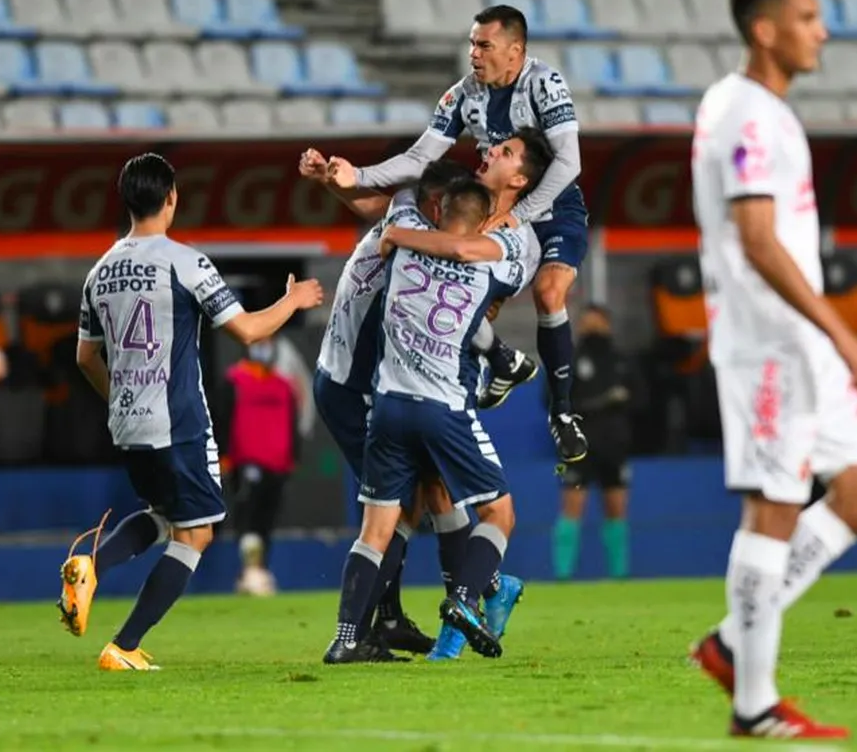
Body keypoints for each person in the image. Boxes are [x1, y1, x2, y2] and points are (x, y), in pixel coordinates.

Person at [686, 0, 857, 740]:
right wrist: (842, 331)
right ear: (766, 29)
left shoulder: (761, 110)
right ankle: (756, 704)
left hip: (803, 343)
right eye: (808, 17)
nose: (823, 31)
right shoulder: (746, 114)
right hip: (768, 342)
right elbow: (758, 239)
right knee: (773, 503)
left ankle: (733, 641)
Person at [57, 153, 323, 671]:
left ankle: (93, 563)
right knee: (196, 533)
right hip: (177, 420)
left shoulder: (100, 271)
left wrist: (118, 398)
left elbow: (85, 356)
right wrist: (293, 300)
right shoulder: (185, 261)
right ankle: (124, 646)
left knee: (163, 516)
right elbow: (247, 330)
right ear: (172, 198)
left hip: (128, 420)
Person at [305, 129, 552, 660]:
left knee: (399, 511)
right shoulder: (501, 253)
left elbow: (396, 210)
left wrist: (372, 207)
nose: (490, 153)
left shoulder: (413, 229)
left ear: (522, 178)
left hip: (388, 394)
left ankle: (359, 632)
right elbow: (464, 254)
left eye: (505, 152)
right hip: (409, 392)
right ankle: (470, 594)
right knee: (479, 508)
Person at [325, 4, 590, 464]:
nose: (473, 53)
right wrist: (359, 176)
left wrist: (522, 214)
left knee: (550, 292)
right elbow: (419, 157)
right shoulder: (464, 94)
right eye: (471, 43)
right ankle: (500, 360)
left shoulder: (544, 83)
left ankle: (563, 412)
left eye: (484, 45)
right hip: (499, 203)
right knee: (465, 294)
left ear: (515, 51)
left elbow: (570, 162)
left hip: (551, 203)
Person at [551, 304, 640, 581]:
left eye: (597, 322)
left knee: (616, 507)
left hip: (614, 445)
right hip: (578, 447)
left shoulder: (621, 360)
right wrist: (601, 403)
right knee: (572, 506)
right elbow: (552, 400)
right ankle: (563, 574)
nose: (592, 327)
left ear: (607, 324)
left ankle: (619, 575)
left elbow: (641, 399)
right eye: (587, 322)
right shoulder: (569, 360)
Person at [221, 337, 300, 597]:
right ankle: (250, 572)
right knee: (247, 517)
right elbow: (221, 418)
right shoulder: (234, 381)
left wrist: (293, 457)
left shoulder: (284, 385)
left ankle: (259, 572)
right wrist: (223, 456)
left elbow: (293, 423)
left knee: (267, 521)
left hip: (277, 464)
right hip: (246, 462)